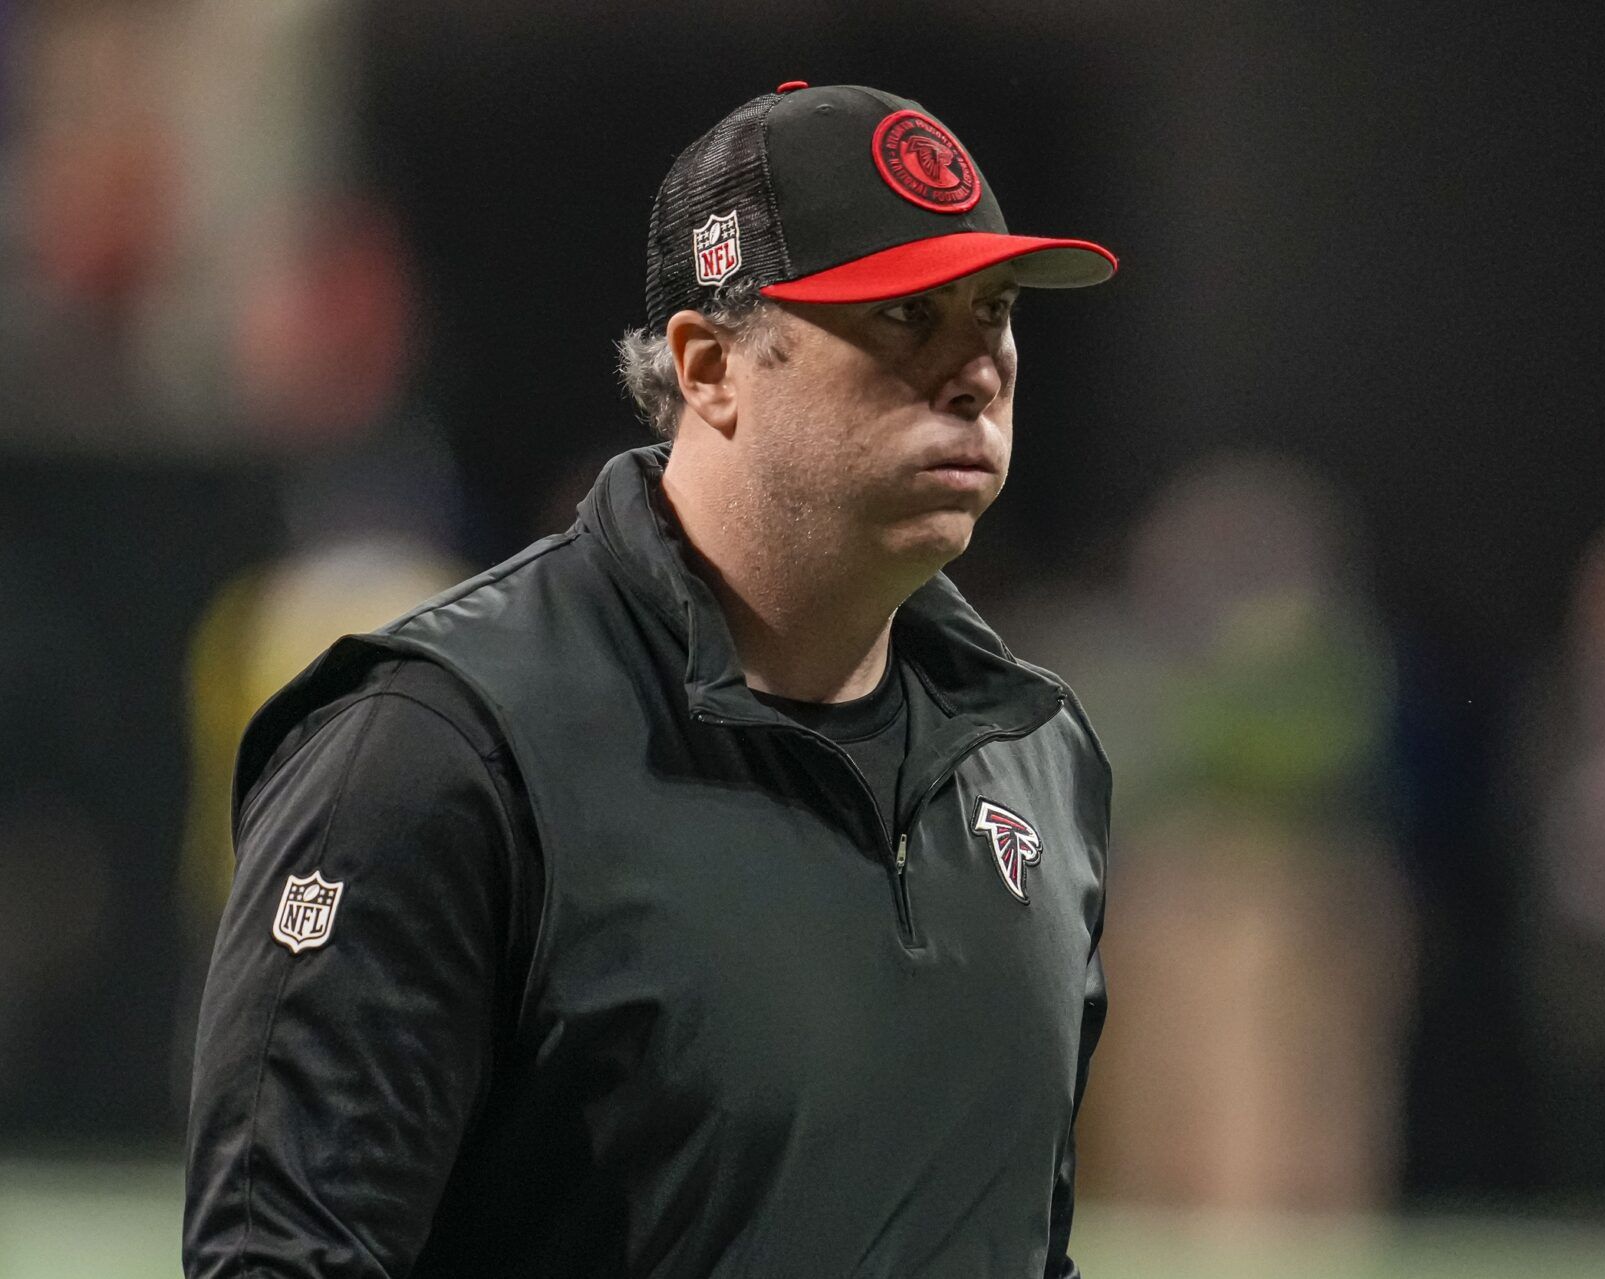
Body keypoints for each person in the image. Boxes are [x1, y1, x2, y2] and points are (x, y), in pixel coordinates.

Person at [182, 81, 1117, 1277]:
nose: (977, 369)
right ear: (709, 365)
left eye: (993, 309)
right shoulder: (444, 747)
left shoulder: (1036, 757)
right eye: (900, 316)